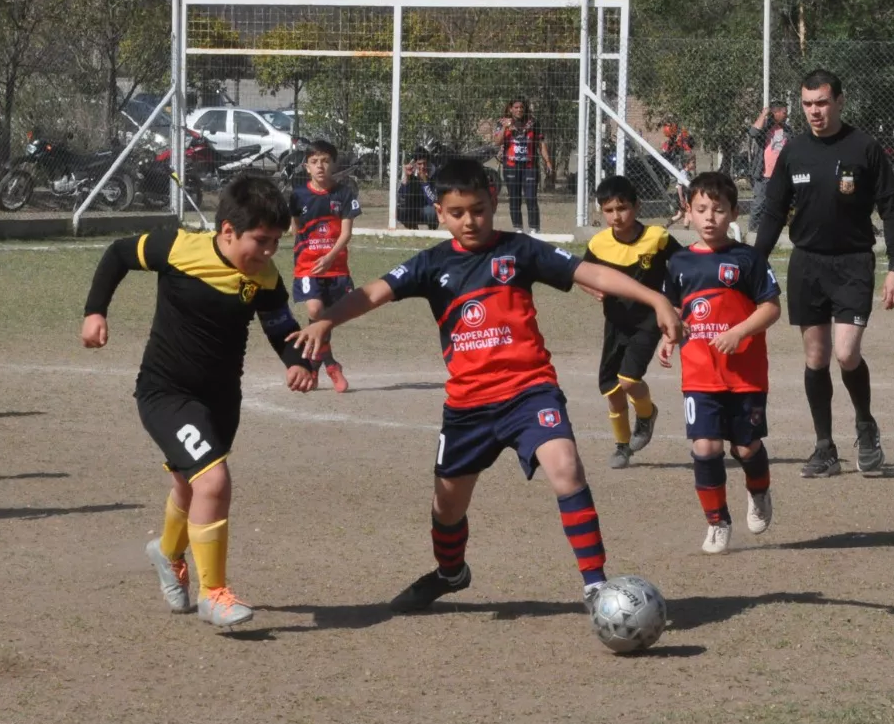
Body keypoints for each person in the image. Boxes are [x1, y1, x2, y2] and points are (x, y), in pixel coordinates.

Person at [289, 159, 681, 614]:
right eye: (457, 212)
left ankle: (595, 586)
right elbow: (373, 292)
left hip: (529, 391)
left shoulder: (520, 251)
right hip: (468, 406)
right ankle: (451, 573)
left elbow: (589, 274)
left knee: (567, 467)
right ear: (439, 212)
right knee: (446, 508)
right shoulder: (431, 264)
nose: (469, 221)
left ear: (493, 202)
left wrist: (655, 297)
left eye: (477, 209)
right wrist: (326, 320)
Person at [80, 175, 316, 628]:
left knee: (191, 487)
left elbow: (278, 323)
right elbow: (118, 254)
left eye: (276, 243)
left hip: (222, 399)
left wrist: (297, 360)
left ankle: (167, 553)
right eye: (261, 241)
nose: (269, 253)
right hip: (165, 392)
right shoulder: (177, 248)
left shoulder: (264, 276)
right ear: (227, 230)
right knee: (213, 482)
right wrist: (96, 312)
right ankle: (214, 594)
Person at [753, 69, 894, 478]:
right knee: (817, 358)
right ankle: (824, 448)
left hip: (854, 262)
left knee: (846, 353)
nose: (814, 111)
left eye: (822, 102)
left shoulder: (865, 147)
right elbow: (772, 212)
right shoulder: (794, 151)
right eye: (807, 104)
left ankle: (865, 425)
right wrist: (754, 261)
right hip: (807, 263)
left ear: (839, 100)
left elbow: (890, 209)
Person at [658, 172, 781, 554]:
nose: (709, 217)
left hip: (745, 375)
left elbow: (772, 308)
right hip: (699, 375)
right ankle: (717, 522)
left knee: (746, 449)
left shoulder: (748, 259)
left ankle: (758, 491)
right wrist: (667, 336)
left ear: (733, 213)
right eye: (701, 209)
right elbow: (675, 311)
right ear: (688, 213)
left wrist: (740, 332)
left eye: (718, 209)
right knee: (705, 447)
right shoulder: (678, 262)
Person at [582, 175, 681, 469]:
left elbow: (683, 269)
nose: (616, 216)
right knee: (612, 390)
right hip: (615, 322)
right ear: (601, 211)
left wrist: (675, 306)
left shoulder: (657, 238)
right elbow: (580, 274)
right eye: (609, 210)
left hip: (648, 321)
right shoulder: (598, 244)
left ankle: (647, 415)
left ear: (637, 207)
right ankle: (622, 447)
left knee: (628, 380)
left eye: (622, 208)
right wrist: (593, 288)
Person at [288, 140, 360, 392]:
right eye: (314, 162)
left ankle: (316, 366)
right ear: (306, 166)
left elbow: (346, 233)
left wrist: (329, 257)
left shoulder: (344, 194)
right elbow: (295, 227)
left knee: (327, 320)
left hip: (336, 268)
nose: (320, 166)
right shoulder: (298, 195)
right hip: (308, 267)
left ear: (333, 164)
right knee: (316, 310)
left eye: (325, 161)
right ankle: (331, 364)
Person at [491, 97, 552, 234]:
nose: (519, 110)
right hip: (511, 165)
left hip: (530, 166)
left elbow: (541, 143)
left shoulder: (533, 122)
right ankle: (518, 229)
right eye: (516, 107)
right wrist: (505, 128)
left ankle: (534, 229)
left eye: (521, 107)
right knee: (514, 198)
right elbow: (497, 142)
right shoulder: (502, 122)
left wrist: (547, 161)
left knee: (531, 197)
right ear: (510, 109)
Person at [747, 101, 791, 236]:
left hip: (781, 173)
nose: (786, 115)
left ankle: (775, 226)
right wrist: (764, 113)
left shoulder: (787, 130)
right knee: (759, 202)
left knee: (780, 201)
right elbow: (753, 132)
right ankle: (753, 230)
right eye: (784, 112)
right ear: (776, 113)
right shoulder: (765, 129)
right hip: (764, 173)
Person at [396, 149, 438, 230]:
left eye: (425, 163)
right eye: (419, 164)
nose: (422, 166)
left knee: (432, 212)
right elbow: (402, 199)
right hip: (414, 208)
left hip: (427, 207)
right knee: (402, 211)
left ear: (428, 162)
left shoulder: (435, 174)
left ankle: (432, 230)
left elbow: (433, 201)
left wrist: (425, 182)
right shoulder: (410, 172)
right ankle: (414, 230)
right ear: (415, 164)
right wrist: (407, 178)